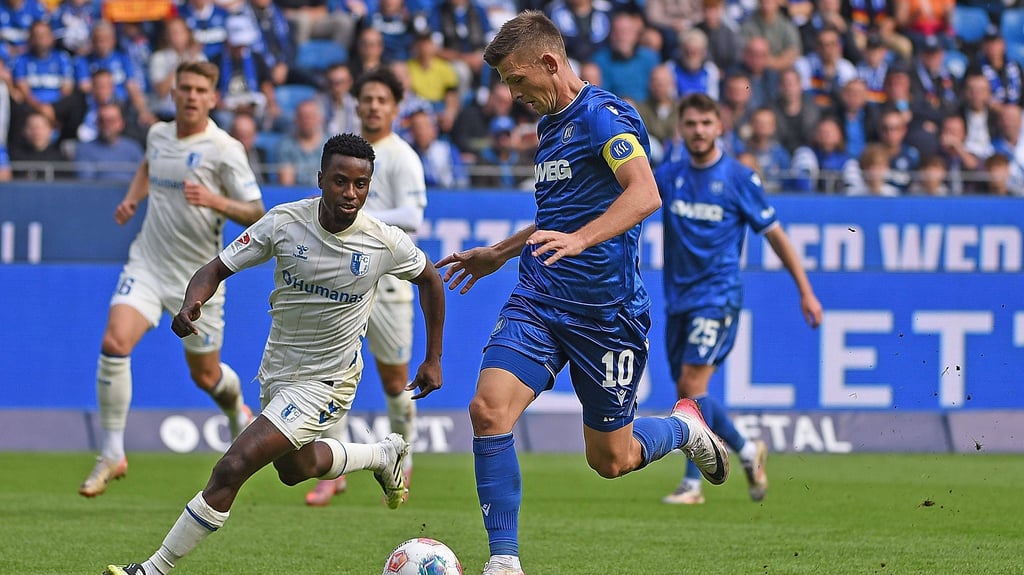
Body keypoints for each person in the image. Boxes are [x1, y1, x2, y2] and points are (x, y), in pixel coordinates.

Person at [434, 12, 731, 575]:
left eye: (517, 79)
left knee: (611, 460)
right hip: (541, 300)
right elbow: (560, 217)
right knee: (488, 409)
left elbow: (644, 194)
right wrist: (501, 252)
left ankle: (683, 428)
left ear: (549, 62)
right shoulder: (550, 127)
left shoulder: (603, 117)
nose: (513, 94)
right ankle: (504, 561)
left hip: (606, 313)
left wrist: (581, 240)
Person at [101, 133, 447, 575]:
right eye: (340, 181)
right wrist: (192, 301)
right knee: (295, 469)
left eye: (361, 184)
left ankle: (152, 569)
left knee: (233, 467)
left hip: (329, 381)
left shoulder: (382, 241)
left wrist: (433, 357)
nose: (350, 193)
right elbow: (216, 268)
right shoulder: (284, 222)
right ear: (320, 179)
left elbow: (431, 280)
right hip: (279, 373)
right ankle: (381, 456)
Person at [78, 62, 266, 499]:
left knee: (206, 375)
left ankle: (236, 410)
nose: (192, 96)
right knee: (114, 342)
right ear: (174, 93)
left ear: (213, 98)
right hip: (147, 264)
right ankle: (111, 453)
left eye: (201, 90)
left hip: (198, 280)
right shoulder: (158, 134)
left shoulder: (224, 149)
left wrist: (215, 200)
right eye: (185, 88)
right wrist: (132, 199)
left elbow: (256, 212)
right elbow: (149, 166)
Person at [654, 92, 823, 505]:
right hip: (678, 299)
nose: (698, 131)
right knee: (688, 393)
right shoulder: (668, 176)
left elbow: (776, 235)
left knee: (692, 386)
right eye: (691, 124)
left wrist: (805, 291)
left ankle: (693, 485)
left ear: (719, 126)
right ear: (680, 128)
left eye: (705, 123)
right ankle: (747, 450)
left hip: (718, 295)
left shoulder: (738, 178)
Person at [304, 65, 429, 507]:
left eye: (382, 100)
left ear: (395, 108)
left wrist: (360, 220)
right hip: (342, 282)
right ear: (356, 105)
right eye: (367, 99)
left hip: (389, 284)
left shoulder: (402, 157)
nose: (374, 106)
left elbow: (413, 217)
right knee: (329, 373)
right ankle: (333, 472)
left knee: (395, 380)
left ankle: (403, 459)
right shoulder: (343, 154)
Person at [74, 102, 145, 181]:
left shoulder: (134, 148)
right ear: (97, 123)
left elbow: (142, 179)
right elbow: (86, 183)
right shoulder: (85, 150)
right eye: (102, 120)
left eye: (111, 121)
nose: (106, 125)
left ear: (121, 123)